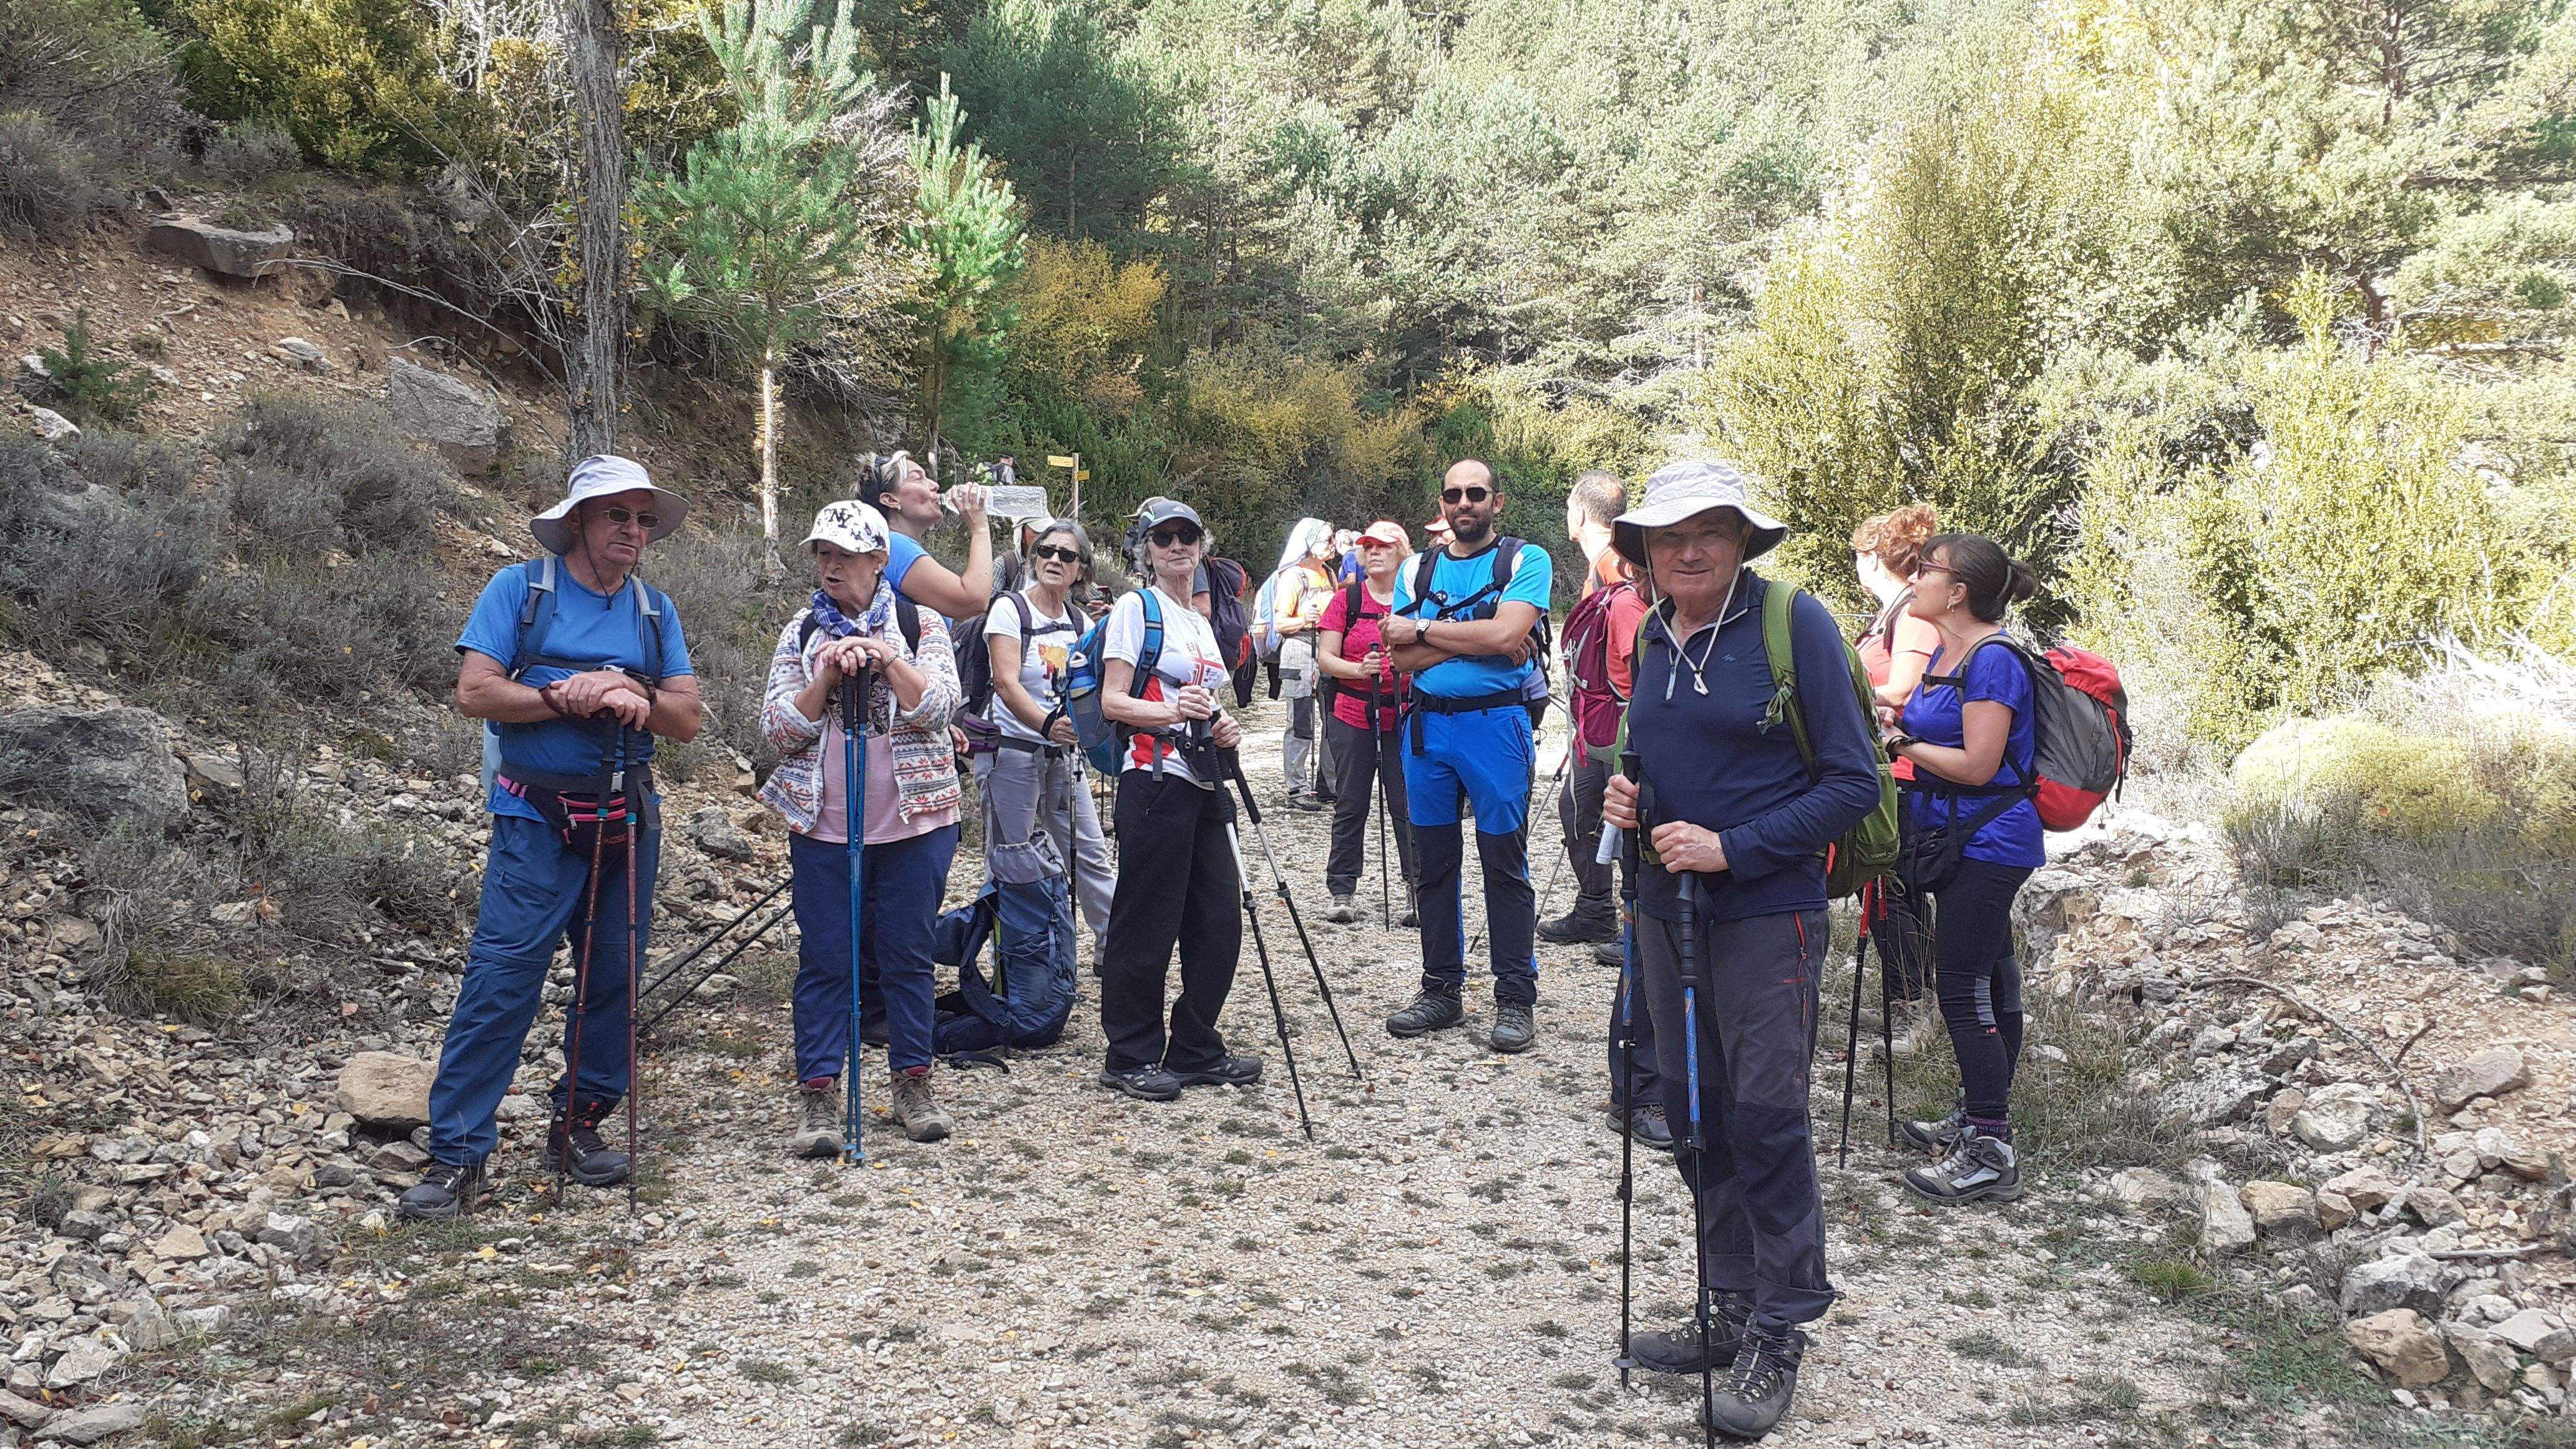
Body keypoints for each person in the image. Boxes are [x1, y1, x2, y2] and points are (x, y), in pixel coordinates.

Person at [1600, 460, 1881, 1440]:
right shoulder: (1653, 630)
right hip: (1668, 910)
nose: (1687, 549)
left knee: (1765, 1116)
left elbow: (1855, 782)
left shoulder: (1792, 622)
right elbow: (1663, 760)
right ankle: (1726, 1304)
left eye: (1709, 530)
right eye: (1667, 535)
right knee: (1695, 1114)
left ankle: (1780, 1319)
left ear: (1742, 538)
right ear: (1642, 549)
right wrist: (1630, 808)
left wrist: (1734, 846)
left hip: (1770, 910)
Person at [402, 457, 704, 1221]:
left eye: (643, 520)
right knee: (503, 977)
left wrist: (632, 691)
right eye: (617, 516)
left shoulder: (652, 610)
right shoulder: (520, 590)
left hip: (626, 817)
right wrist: (561, 695)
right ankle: (456, 1156)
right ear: (579, 520)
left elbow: (687, 718)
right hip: (535, 817)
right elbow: (475, 691)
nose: (633, 532)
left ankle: (580, 1126)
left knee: (612, 980)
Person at [759, 501, 965, 1149]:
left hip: (916, 821)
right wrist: (824, 677)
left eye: (845, 555)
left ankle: (913, 1082)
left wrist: (885, 659)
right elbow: (777, 729)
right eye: (823, 554)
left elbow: (938, 706)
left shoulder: (920, 621)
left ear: (880, 561)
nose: (831, 566)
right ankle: (818, 1096)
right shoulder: (801, 631)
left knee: (907, 954)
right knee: (825, 959)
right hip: (824, 824)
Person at [1885, 533, 2044, 1208]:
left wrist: (1903, 742)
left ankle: (1989, 1147)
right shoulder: (1953, 651)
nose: (1913, 580)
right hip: (1960, 840)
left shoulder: (1993, 659)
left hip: (1989, 843)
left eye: (1927, 571)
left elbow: (1980, 764)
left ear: (1958, 592)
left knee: (1961, 987)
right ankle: (1978, 1114)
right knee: (1992, 978)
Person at [1378, 459, 1551, 1053]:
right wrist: (1476, 631)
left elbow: (1508, 641)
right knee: (1434, 863)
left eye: (1476, 493)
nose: (1465, 503)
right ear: (1443, 502)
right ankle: (1441, 991)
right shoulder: (1416, 567)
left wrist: (1424, 631)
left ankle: (1514, 998)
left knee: (1503, 862)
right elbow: (1400, 663)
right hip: (1427, 732)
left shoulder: (1526, 560)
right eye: (1454, 494)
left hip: (1496, 729)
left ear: (1496, 501)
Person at [1095, 499, 1260, 1101]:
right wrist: (1172, 714)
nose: (1176, 547)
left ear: (1201, 543)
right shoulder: (1135, 609)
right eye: (1162, 538)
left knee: (1217, 919)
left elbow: (1206, 698)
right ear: (1146, 551)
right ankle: (1130, 1054)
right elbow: (1114, 700)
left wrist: (1223, 724)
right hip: (1154, 778)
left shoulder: (1197, 619)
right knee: (1146, 920)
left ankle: (1194, 1047)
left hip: (1203, 777)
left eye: (1186, 536)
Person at [982, 519, 1114, 960]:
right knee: (1010, 855)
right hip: (1014, 752)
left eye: (1067, 555)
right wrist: (1046, 725)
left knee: (1089, 851)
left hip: (1063, 755)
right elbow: (1005, 683)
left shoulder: (1079, 621)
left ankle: (1111, 945)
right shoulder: (1010, 609)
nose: (1055, 560)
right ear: (1033, 558)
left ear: (1082, 570)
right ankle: (1016, 955)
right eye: (1047, 552)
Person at [1539, 470, 1646, 953]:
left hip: (1615, 728)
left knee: (1622, 821)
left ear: (1580, 515)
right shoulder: (1608, 567)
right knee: (1578, 810)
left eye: (1568, 509)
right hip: (1596, 726)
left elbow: (1636, 657)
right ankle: (1596, 911)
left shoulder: (1618, 575)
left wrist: (1631, 726)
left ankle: (1633, 924)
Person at [1850, 504, 1943, 1008]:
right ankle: (1910, 993)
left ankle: (1909, 999)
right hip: (1895, 766)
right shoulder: (1898, 611)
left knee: (1892, 888)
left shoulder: (1909, 613)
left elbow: (1903, 688)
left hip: (1902, 769)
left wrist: (1842, 688)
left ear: (1871, 558)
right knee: (1894, 887)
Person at [1317, 520, 1418, 926]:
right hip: (1352, 713)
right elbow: (1326, 659)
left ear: (1400, 552)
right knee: (1351, 802)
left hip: (1405, 715)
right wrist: (1362, 669)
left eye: (1384, 546)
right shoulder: (1347, 600)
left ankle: (1418, 889)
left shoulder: (1416, 602)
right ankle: (1342, 890)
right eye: (1368, 546)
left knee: (1407, 805)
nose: (1374, 552)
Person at [861, 450, 992, 620]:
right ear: (892, 500)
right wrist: (980, 528)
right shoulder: (893, 544)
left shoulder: (896, 545)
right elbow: (973, 600)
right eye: (918, 478)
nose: (934, 485)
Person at [1269, 518, 1339, 811]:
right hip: (1299, 650)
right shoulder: (1293, 577)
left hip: (1327, 650)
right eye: (1327, 539)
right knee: (1301, 721)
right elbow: (1279, 623)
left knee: (1333, 720)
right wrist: (1306, 619)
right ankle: (1296, 788)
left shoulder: (1330, 574)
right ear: (1309, 545)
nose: (1333, 545)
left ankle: (1328, 786)